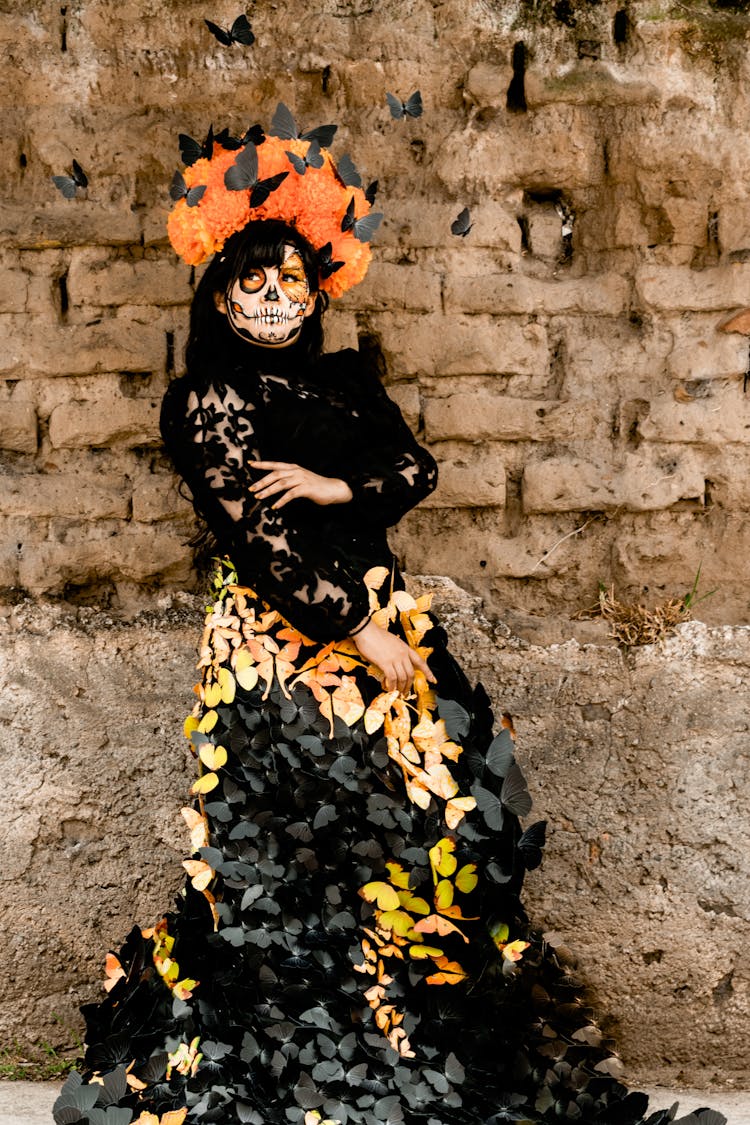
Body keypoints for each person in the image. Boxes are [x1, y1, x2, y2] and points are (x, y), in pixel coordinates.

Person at [53, 117, 723, 1125]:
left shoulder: (343, 380)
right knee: (300, 852)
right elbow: (254, 541)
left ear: (314, 291)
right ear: (221, 293)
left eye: (291, 284)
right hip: (279, 649)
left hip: (381, 626)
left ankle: (403, 1037)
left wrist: (333, 487)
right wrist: (349, 628)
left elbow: (414, 471)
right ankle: (311, 1066)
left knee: (422, 837)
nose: (277, 300)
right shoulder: (211, 399)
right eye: (255, 284)